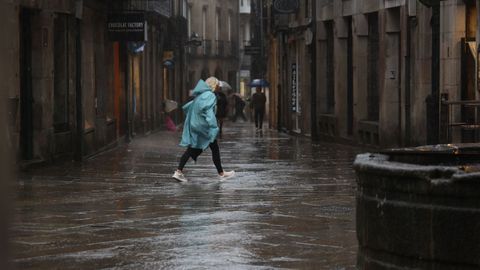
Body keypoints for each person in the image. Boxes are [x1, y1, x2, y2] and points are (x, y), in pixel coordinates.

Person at [172, 77, 235, 182]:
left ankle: (220, 172)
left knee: (203, 147)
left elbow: (191, 108)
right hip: (203, 126)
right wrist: (213, 127)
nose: (220, 87)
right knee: (200, 148)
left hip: (196, 125)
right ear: (213, 86)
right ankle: (179, 171)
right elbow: (209, 113)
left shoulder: (201, 95)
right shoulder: (210, 96)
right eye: (218, 85)